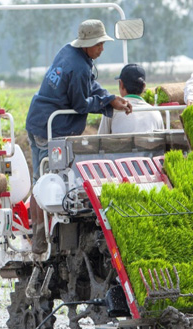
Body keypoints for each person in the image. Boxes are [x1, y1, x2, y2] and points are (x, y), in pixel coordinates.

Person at [25, 19, 132, 254]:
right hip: (48, 127)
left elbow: (90, 86)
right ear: (87, 44)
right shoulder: (78, 66)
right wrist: (108, 101)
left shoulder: (71, 53)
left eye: (103, 43)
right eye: (99, 45)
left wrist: (109, 97)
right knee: (43, 181)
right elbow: (80, 104)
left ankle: (46, 230)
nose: (102, 49)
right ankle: (40, 237)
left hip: (41, 121)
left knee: (44, 178)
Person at [98, 64, 164, 134]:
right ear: (144, 86)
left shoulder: (112, 110)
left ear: (121, 84)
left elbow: (100, 140)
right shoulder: (156, 113)